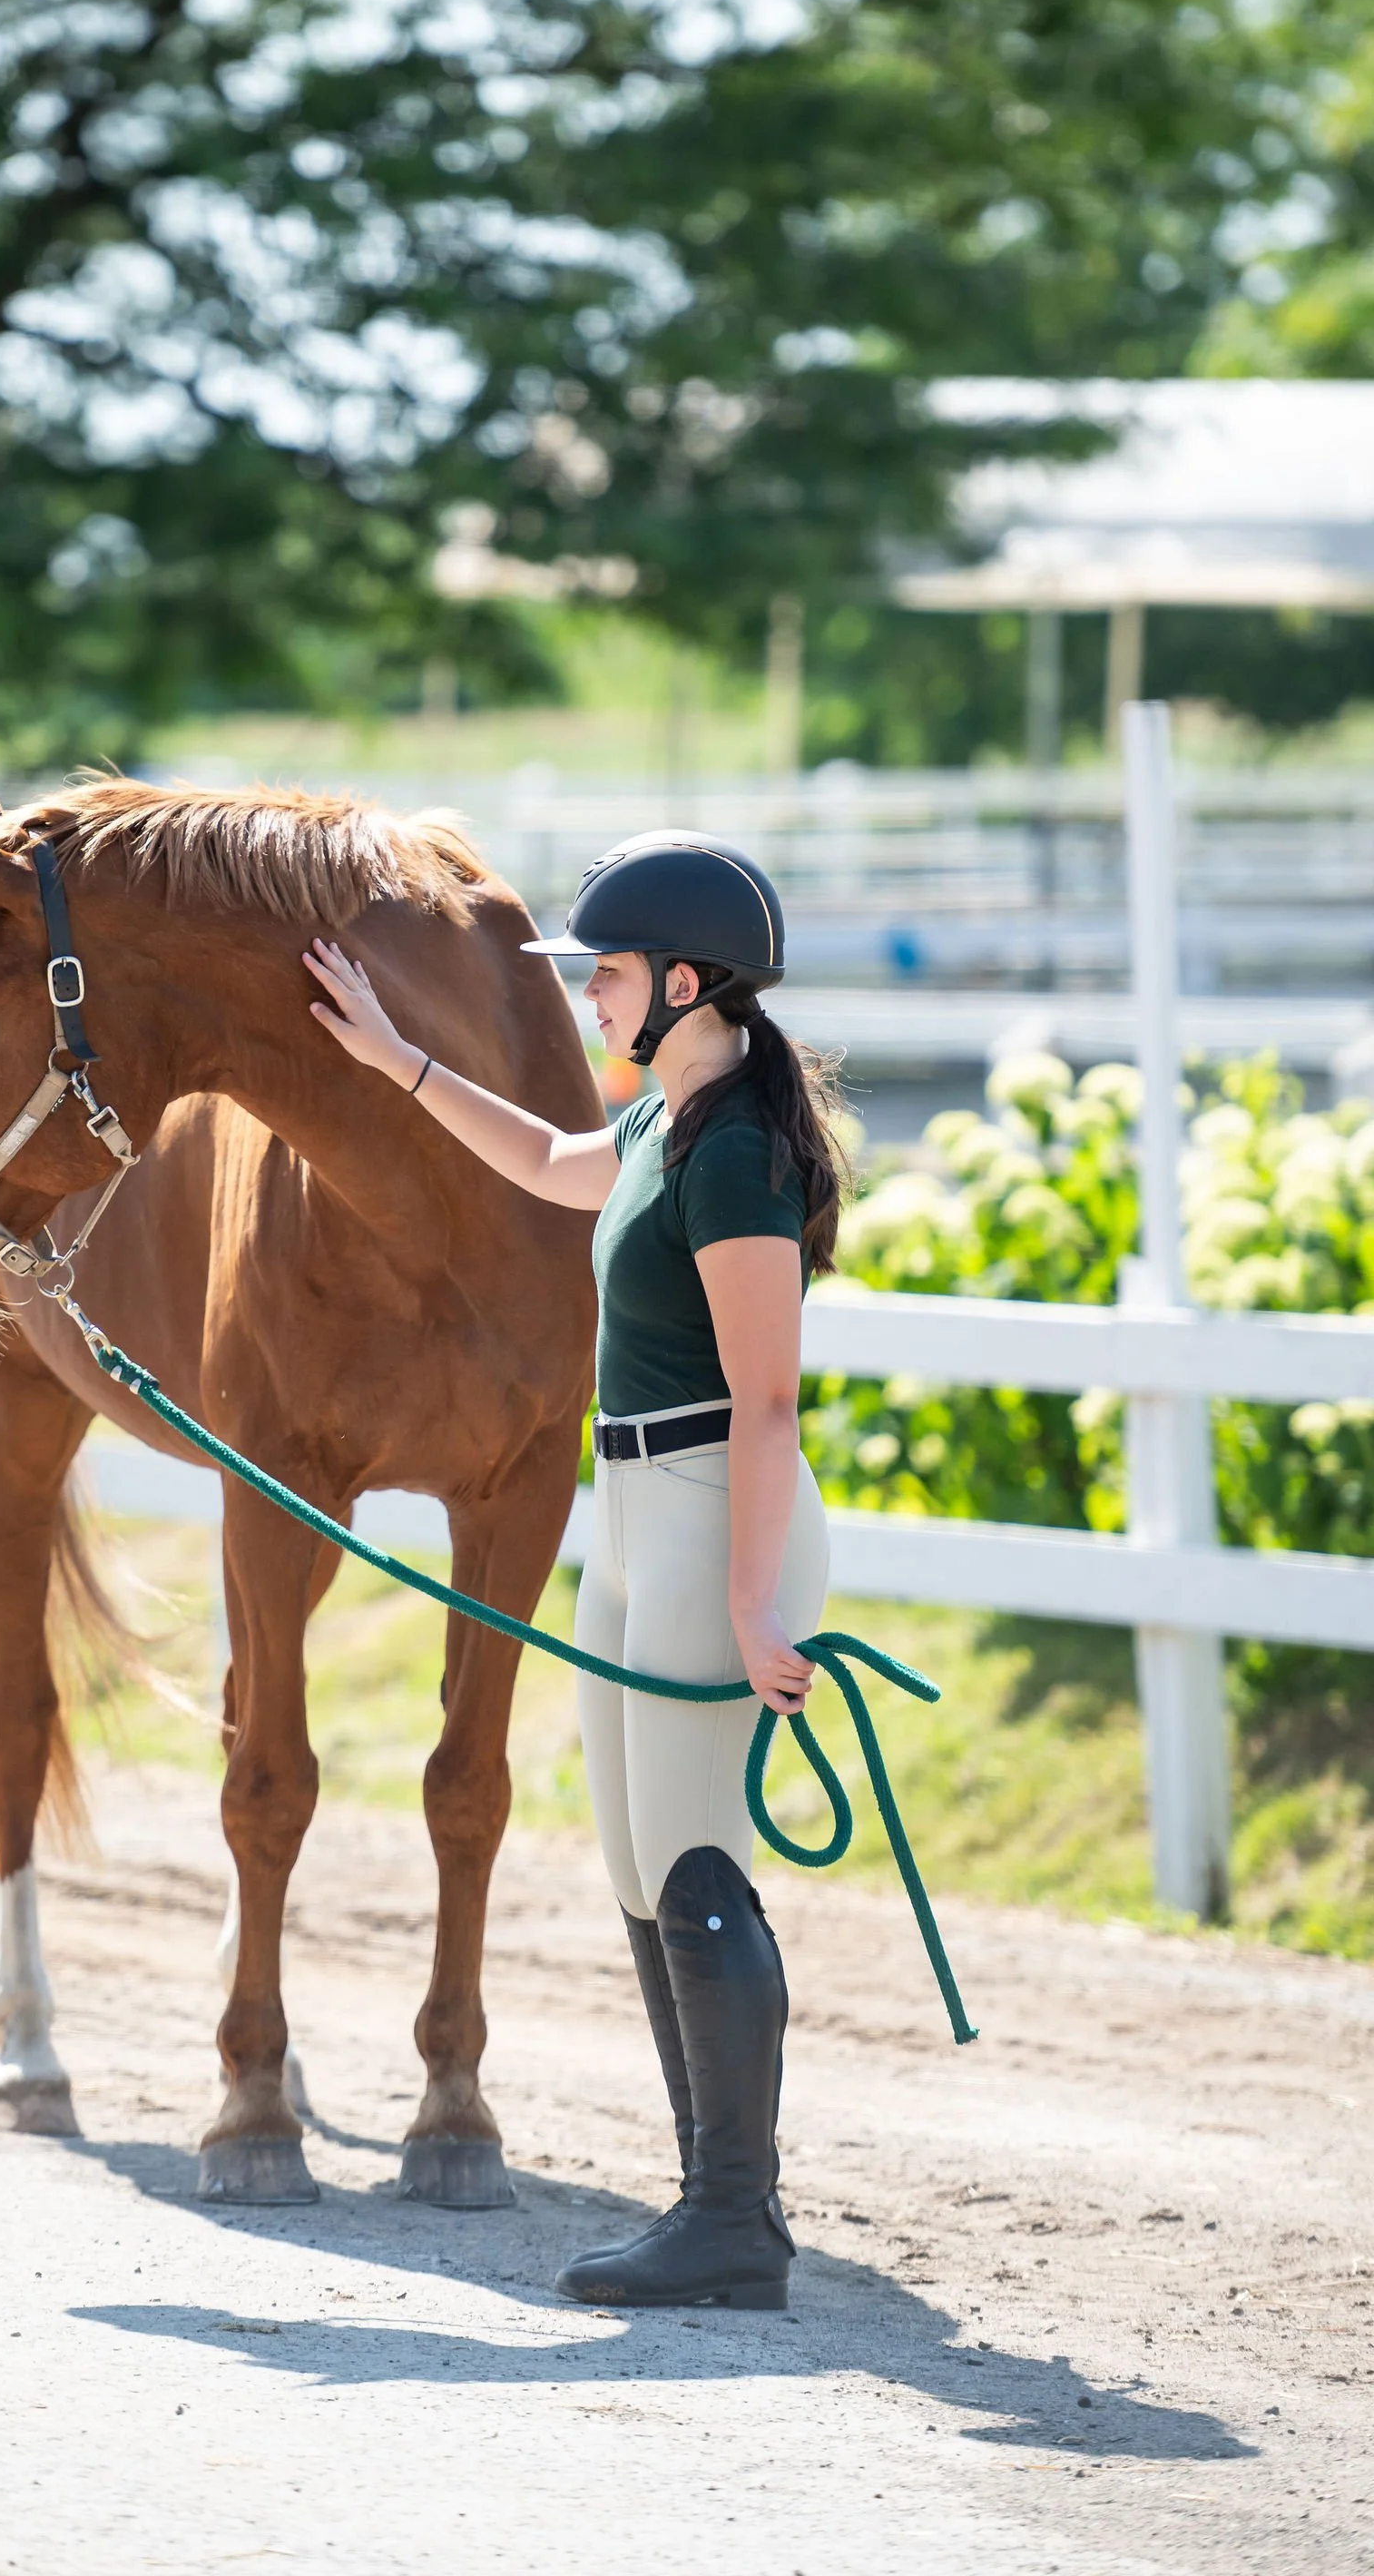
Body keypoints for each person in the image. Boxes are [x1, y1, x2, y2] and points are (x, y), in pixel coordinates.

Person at [305, 831, 848, 2312]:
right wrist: (393, 1059)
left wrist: (747, 1601)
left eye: (606, 975)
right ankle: (714, 2198)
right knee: (636, 1868)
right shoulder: (669, 1120)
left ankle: (735, 2218)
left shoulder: (734, 1149)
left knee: (692, 1864)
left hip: (706, 1510)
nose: (590, 999)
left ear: (684, 981)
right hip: (641, 1511)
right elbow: (548, 1162)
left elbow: (768, 1401)